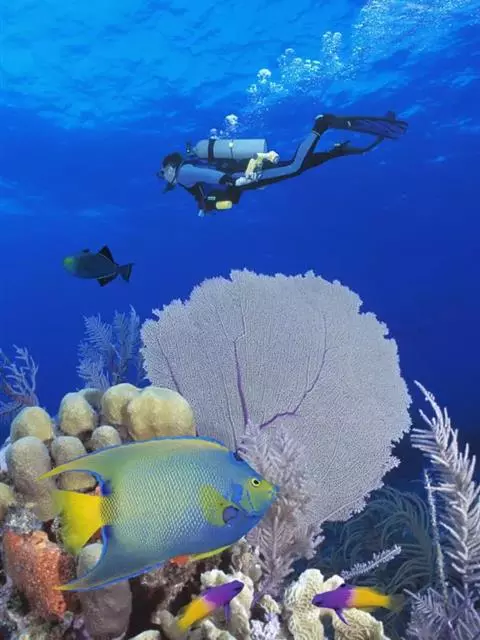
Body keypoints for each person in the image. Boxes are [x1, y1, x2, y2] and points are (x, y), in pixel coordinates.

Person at [157, 112, 408, 216]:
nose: (166, 175)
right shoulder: (187, 183)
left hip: (245, 175)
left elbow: (209, 176)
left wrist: (232, 181)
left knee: (293, 167)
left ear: (172, 166)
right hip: (245, 176)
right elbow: (216, 192)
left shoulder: (184, 173)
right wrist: (212, 203)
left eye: (165, 170)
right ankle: (337, 151)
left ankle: (321, 125)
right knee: (296, 167)